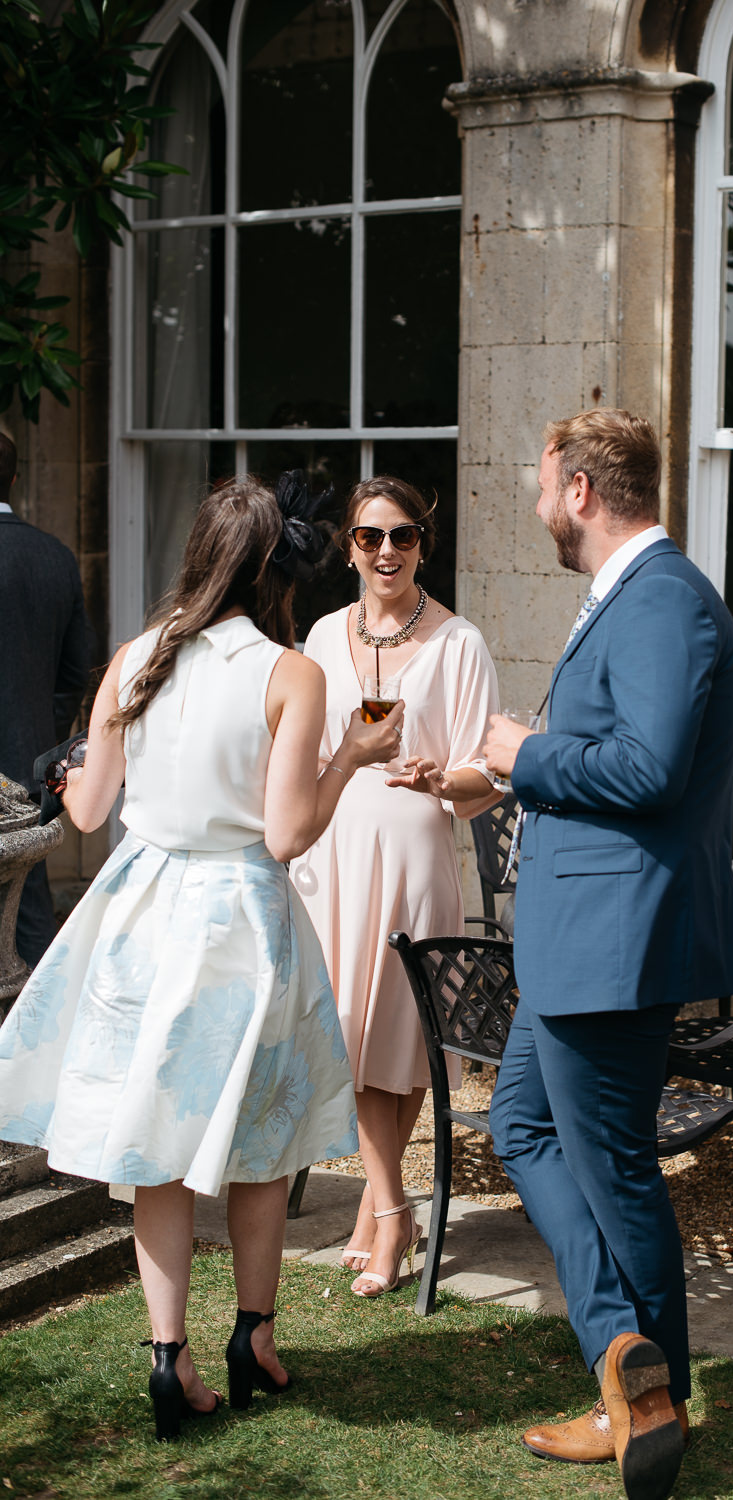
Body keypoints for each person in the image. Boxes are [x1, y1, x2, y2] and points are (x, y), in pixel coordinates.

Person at [0, 474, 404, 1441]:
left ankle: (166, 1352)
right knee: (259, 1146)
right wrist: (350, 755)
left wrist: (75, 767)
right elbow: (285, 835)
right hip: (237, 927)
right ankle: (253, 1336)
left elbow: (88, 813)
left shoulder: (136, 657)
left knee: (157, 1153)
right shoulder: (289, 672)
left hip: (141, 918)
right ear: (277, 571)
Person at [484, 410, 733, 1500]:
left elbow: (644, 770)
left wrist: (529, 754)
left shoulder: (662, 603)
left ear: (584, 493)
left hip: (610, 941)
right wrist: (491, 773)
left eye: (544, 488)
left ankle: (647, 1399)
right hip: (572, 936)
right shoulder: (627, 599)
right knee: (519, 1124)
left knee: (617, 1175)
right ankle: (620, 1355)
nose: (537, 505)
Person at [290, 476, 499, 1297]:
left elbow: (487, 778)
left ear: (423, 543)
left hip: (412, 854)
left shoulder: (459, 644)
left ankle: (384, 1212)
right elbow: (300, 752)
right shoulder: (317, 635)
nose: (386, 551)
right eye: (370, 537)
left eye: (403, 536)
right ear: (346, 547)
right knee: (345, 1035)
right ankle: (389, 1207)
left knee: (393, 1044)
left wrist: (438, 778)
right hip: (332, 855)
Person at [0, 431, 94, 966]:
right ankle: (35, 1044)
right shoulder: (55, 556)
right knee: (28, 910)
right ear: (15, 477)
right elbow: (75, 668)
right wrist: (40, 729)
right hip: (25, 764)